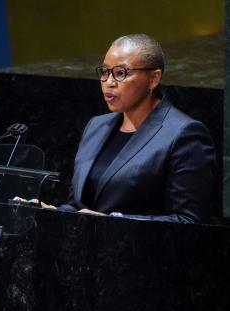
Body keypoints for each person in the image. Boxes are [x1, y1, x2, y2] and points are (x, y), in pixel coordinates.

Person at [16, 34, 216, 223]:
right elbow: (80, 205)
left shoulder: (184, 135)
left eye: (121, 73)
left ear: (154, 79)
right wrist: (52, 213)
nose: (109, 82)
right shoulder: (97, 126)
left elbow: (188, 222)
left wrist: (113, 223)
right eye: (104, 72)